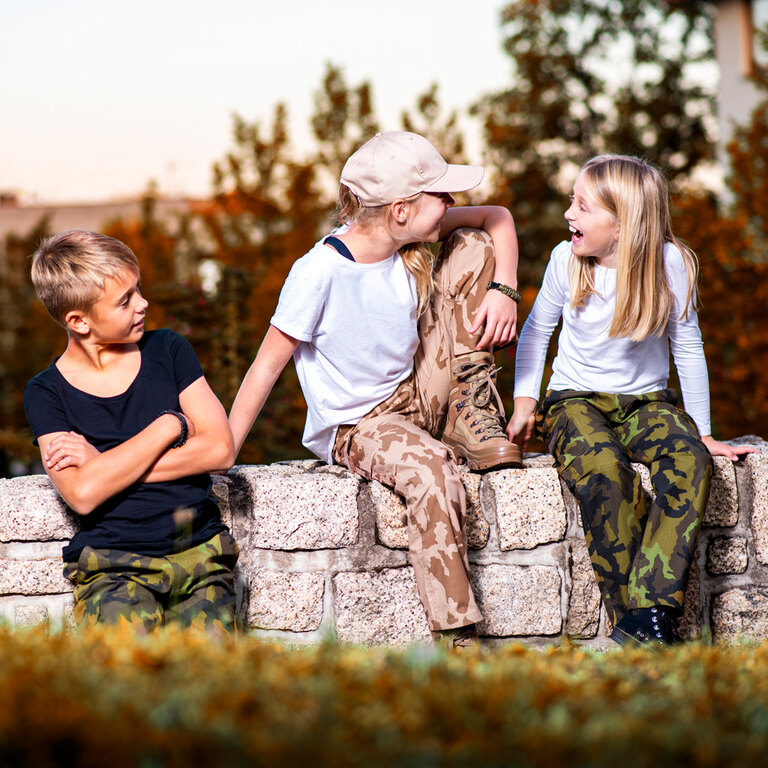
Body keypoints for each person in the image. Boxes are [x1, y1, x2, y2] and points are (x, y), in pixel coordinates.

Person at [229, 131, 522, 645]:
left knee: (474, 244)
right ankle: (457, 636)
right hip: (363, 424)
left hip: (422, 389)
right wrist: (225, 450)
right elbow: (265, 367)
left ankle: (466, 412)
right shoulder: (319, 272)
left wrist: (505, 290)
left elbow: (497, 216)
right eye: (440, 195)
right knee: (433, 471)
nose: (451, 201)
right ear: (400, 211)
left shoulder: (406, 239)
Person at [508, 154, 758, 646]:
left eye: (582, 206)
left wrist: (704, 432)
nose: (568, 214)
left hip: (647, 403)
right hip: (574, 401)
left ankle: (648, 615)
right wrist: (524, 402)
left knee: (691, 460)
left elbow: (688, 346)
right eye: (572, 202)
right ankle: (641, 626)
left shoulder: (669, 264)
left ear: (622, 223)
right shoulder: (566, 260)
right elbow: (536, 333)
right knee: (605, 470)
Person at [24, 230, 238, 635]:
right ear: (79, 321)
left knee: (210, 667)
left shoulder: (169, 350)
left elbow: (220, 449)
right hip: (112, 565)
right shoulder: (46, 392)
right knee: (126, 665)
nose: (142, 303)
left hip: (201, 555)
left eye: (137, 289)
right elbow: (82, 493)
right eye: (125, 300)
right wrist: (170, 424)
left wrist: (103, 464)